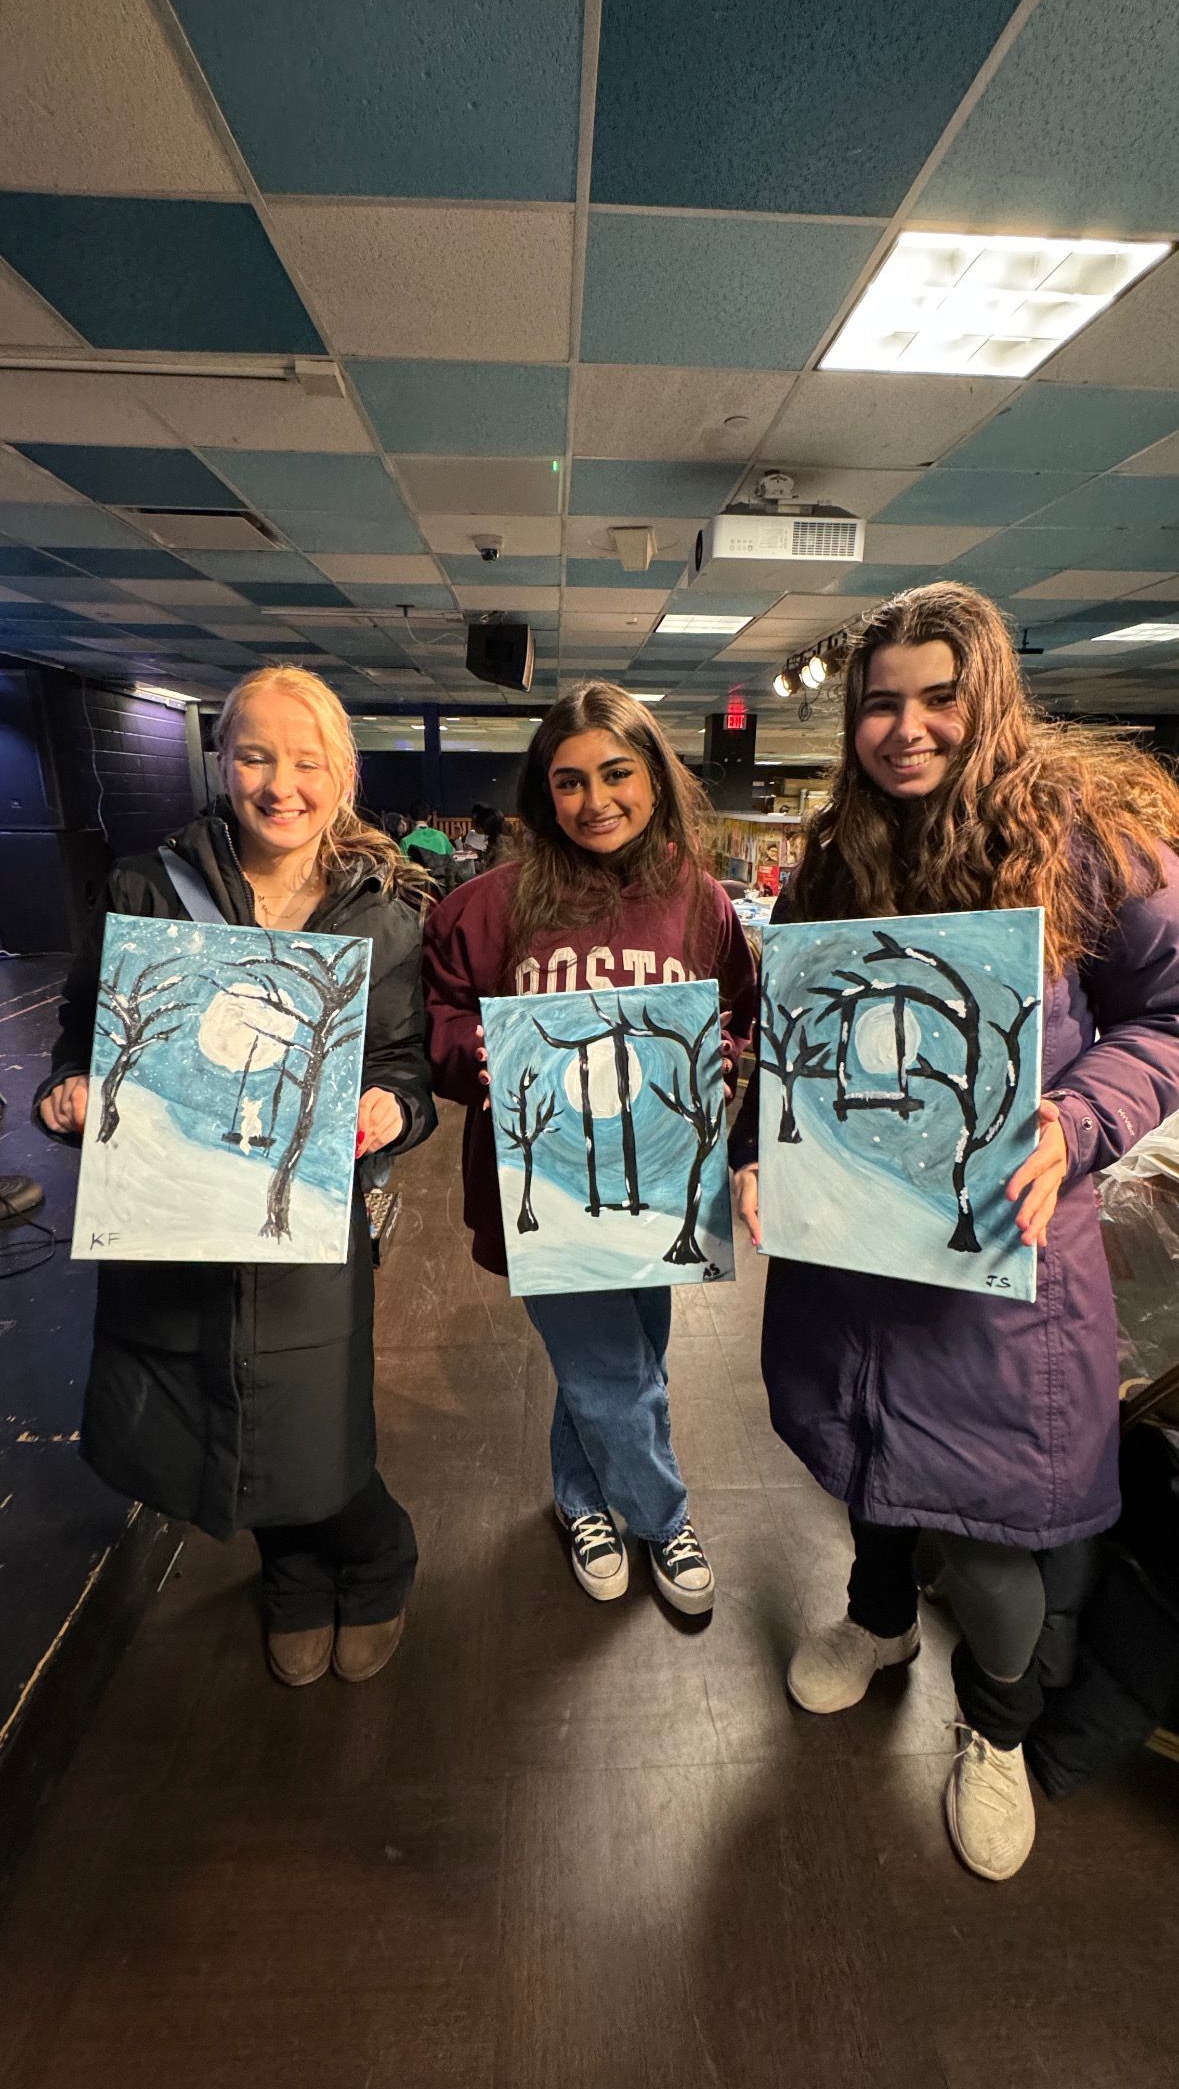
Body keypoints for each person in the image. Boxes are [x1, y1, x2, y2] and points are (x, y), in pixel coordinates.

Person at [730, 582, 1179, 1880]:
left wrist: (1069, 1122)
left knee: (993, 1528)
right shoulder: (833, 854)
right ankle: (874, 1620)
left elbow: (1165, 1016)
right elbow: (796, 1040)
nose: (905, 727)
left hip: (1003, 1258)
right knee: (865, 1458)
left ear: (987, 699)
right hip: (853, 1239)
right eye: (879, 703)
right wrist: (762, 1149)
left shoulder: (1090, 837)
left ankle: (993, 1726)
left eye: (937, 697)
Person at [35, 666, 437, 1688]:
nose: (280, 784)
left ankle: (378, 1556)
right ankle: (293, 1577)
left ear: (341, 772)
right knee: (225, 1410)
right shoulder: (144, 887)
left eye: (307, 761)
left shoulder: (380, 915)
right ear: (221, 761)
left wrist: (393, 1107)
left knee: (314, 1416)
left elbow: (401, 1067)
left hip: (303, 1219)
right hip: (176, 1217)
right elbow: (82, 1039)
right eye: (255, 755)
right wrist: (71, 1095)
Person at [422, 681, 757, 1614]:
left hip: (659, 1181)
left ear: (654, 777)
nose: (594, 800)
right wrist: (473, 1055)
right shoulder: (485, 908)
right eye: (568, 782)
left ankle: (582, 1502)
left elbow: (736, 1008)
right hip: (546, 1183)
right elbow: (438, 1024)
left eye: (616, 773)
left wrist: (717, 1057)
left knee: (626, 1356)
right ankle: (661, 1514)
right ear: (543, 793)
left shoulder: (700, 902)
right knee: (612, 1367)